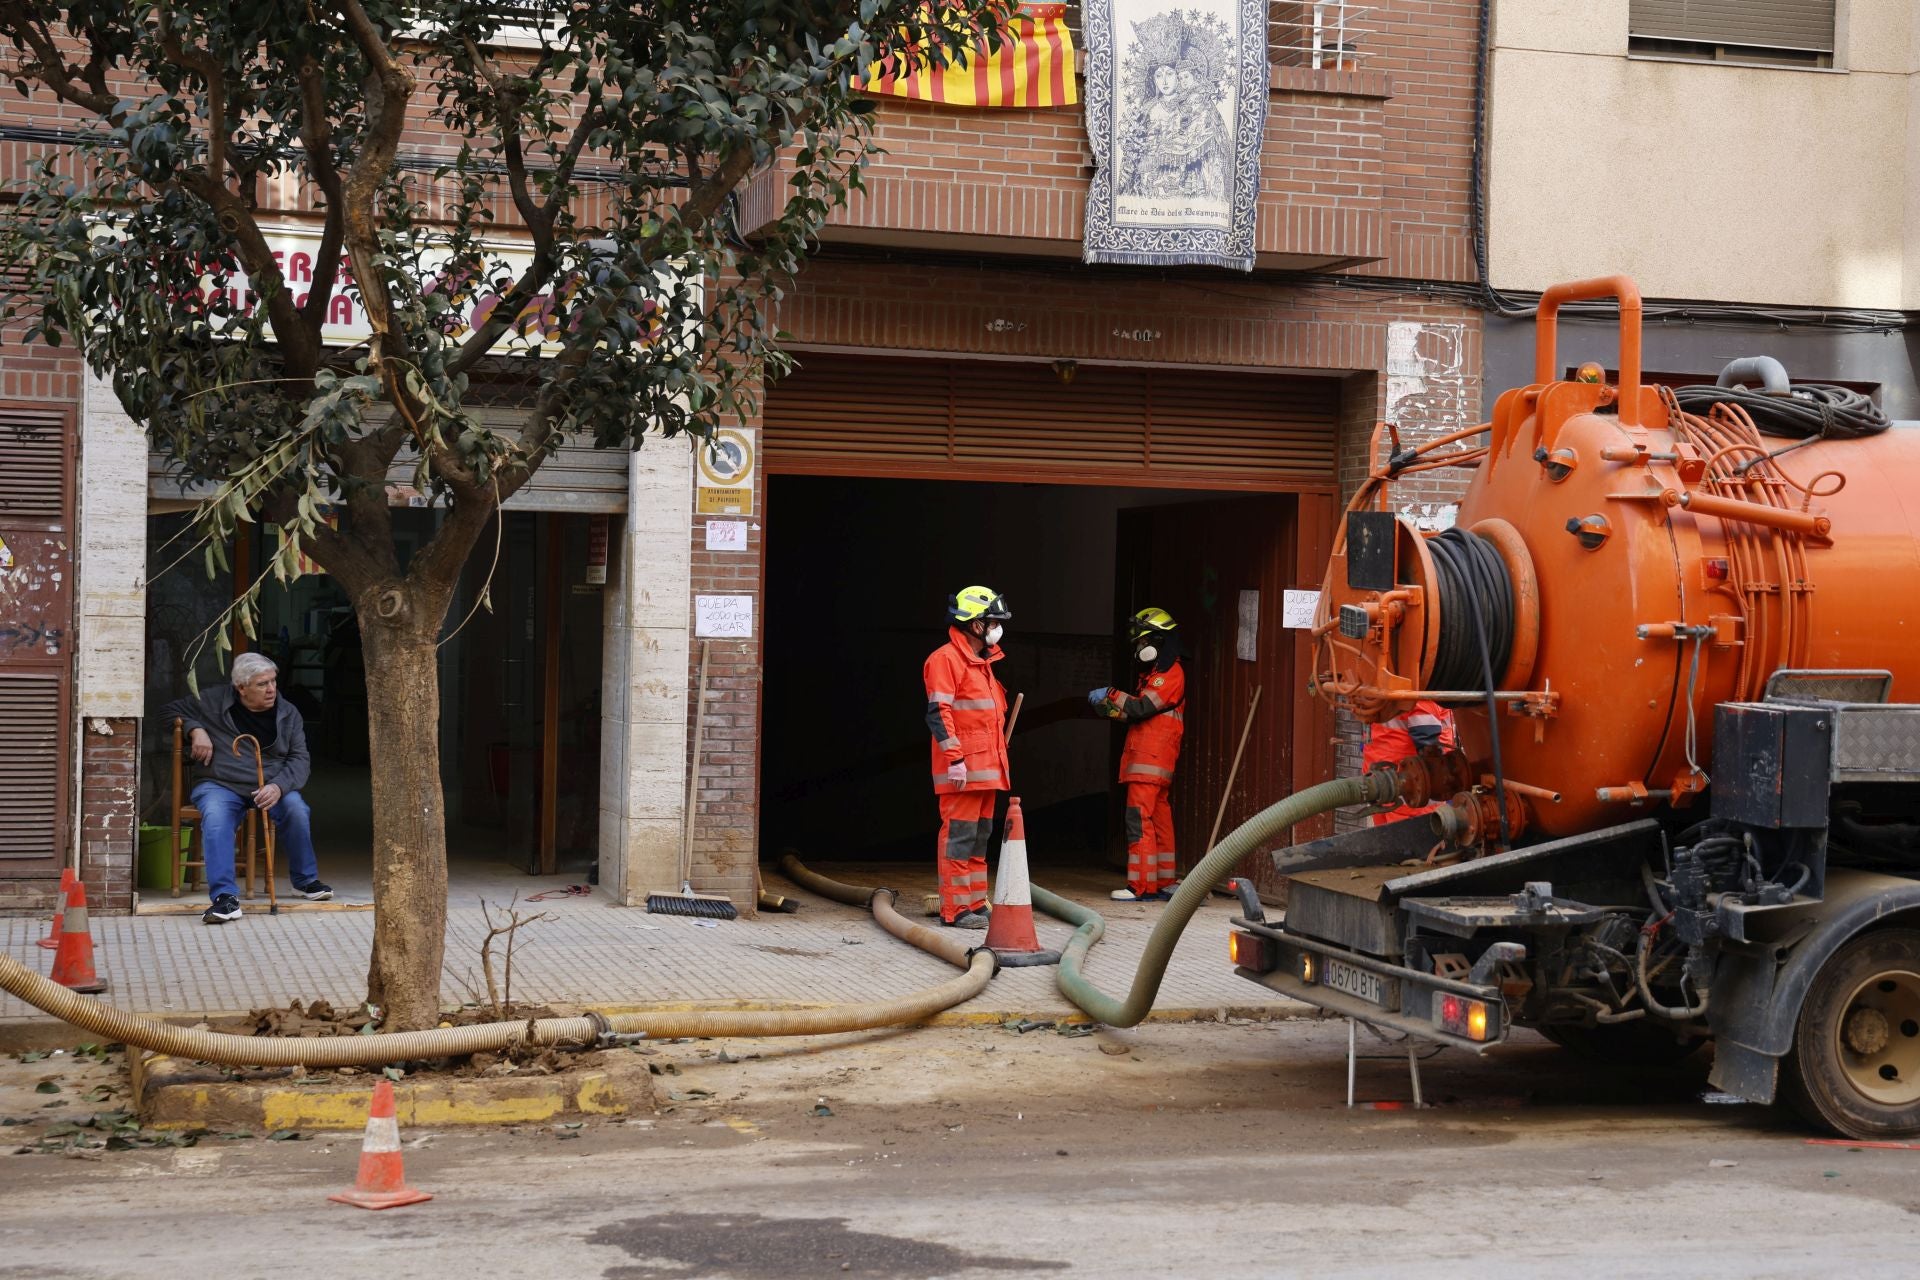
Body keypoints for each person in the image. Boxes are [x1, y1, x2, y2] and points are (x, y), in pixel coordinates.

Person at [162, 651, 333, 924]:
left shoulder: (288, 713)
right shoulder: (213, 700)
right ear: (241, 688)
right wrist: (195, 729)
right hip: (220, 783)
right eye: (262, 684)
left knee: (297, 809)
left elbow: (300, 759)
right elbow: (169, 710)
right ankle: (225, 898)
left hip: (271, 785)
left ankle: (304, 880)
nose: (272, 689)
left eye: (273, 681)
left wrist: (278, 786)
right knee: (216, 819)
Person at [923, 586, 1013, 929]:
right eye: (992, 621)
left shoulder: (982, 663)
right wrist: (955, 759)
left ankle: (975, 902)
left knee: (978, 838)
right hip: (963, 769)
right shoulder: (945, 660)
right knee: (959, 839)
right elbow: (938, 713)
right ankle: (956, 910)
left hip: (986, 769)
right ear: (974, 625)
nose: (996, 628)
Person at [1090, 607, 1186, 902]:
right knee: (1158, 821)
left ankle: (1140, 886)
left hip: (1149, 762)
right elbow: (1140, 716)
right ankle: (1164, 881)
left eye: (1143, 643)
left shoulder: (1168, 674)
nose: (1140, 649)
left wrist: (1112, 694)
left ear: (1157, 640)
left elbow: (1142, 708)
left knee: (1138, 820)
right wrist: (1112, 710)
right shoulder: (1157, 675)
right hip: (1152, 762)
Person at [1363, 701, 1459, 825]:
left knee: (1386, 838)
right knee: (1414, 841)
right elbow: (1427, 742)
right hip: (1412, 791)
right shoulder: (1423, 690)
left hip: (1381, 783)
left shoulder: (1387, 687)